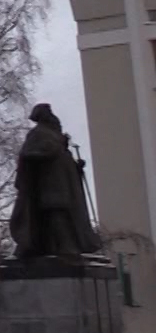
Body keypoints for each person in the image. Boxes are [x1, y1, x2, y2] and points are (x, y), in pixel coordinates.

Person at [8, 103, 103, 260]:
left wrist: (76, 167)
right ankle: (64, 247)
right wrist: (49, 151)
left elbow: (62, 158)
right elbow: (27, 154)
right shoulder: (37, 133)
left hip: (64, 183)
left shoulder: (56, 135)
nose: (52, 115)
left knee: (65, 213)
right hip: (48, 183)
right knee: (55, 211)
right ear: (42, 116)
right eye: (48, 112)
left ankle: (67, 246)